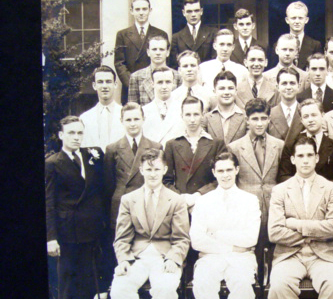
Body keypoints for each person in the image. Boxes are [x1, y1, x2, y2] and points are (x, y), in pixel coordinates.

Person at [110, 148, 190, 299]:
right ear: (141, 170)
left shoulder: (176, 200)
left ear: (164, 169)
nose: (153, 174)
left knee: (165, 289)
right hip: (137, 257)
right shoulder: (129, 199)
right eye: (148, 169)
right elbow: (121, 238)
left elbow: (182, 239)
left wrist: (174, 258)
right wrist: (123, 260)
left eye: (157, 169)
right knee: (119, 289)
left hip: (165, 257)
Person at [267, 136, 333, 299]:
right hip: (290, 254)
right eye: (300, 156)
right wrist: (315, 229)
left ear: (317, 157)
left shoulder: (331, 188)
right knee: (279, 284)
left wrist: (296, 224)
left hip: (324, 254)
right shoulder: (280, 190)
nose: (305, 160)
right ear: (292, 159)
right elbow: (274, 232)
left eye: (309, 155)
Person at [190, 152, 261, 299]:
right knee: (202, 285)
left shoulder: (250, 200)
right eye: (220, 171)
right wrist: (231, 245)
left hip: (241, 258)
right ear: (214, 173)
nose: (225, 175)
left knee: (242, 285)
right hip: (211, 257)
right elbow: (197, 240)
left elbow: (251, 238)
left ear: (237, 170)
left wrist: (217, 234)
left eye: (229, 169)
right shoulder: (204, 201)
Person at [46, 116, 106, 299]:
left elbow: (98, 190)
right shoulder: (53, 163)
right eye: (71, 133)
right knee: (66, 275)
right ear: (61, 135)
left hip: (88, 227)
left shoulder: (92, 156)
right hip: (66, 228)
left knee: (86, 275)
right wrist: (51, 237)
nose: (76, 137)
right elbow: (49, 203)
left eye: (79, 133)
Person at [228, 98, 285, 282]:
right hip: (246, 207)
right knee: (250, 250)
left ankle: (271, 286)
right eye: (255, 119)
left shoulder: (279, 145)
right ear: (247, 120)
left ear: (269, 119)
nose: (259, 123)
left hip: (274, 204)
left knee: (274, 249)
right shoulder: (235, 147)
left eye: (263, 118)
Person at [105, 103, 162, 231]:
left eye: (136, 119)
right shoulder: (112, 149)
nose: (133, 124)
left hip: (147, 203)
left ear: (143, 119)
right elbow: (108, 185)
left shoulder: (155, 147)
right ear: (121, 121)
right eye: (128, 120)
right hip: (121, 205)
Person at [163, 96, 227, 210]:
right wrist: (180, 198)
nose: (192, 119)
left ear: (202, 115)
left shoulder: (216, 144)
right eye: (188, 115)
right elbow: (166, 180)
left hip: (208, 204)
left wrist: (199, 194)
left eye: (196, 114)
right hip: (180, 206)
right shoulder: (171, 145)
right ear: (181, 116)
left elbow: (222, 177)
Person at [277, 98, 333, 197]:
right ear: (301, 120)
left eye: (314, 115)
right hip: (299, 197)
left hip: (327, 197)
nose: (310, 120)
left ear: (322, 115)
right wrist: (304, 189)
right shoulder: (291, 145)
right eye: (306, 116)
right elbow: (283, 176)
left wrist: (321, 190)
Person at [114, 0, 168, 97]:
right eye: (137, 9)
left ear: (150, 10)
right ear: (131, 11)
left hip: (155, 86)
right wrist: (132, 84)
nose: (141, 12)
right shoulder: (122, 35)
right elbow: (119, 64)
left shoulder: (160, 34)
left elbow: (164, 62)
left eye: (144, 9)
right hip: (131, 87)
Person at [80, 66, 124, 151]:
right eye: (100, 82)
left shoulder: (125, 115)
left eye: (108, 81)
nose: (104, 86)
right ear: (94, 85)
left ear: (115, 84)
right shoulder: (85, 118)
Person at [128, 35, 181, 106]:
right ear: (148, 52)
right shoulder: (136, 77)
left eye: (161, 49)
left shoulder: (178, 76)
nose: (158, 53)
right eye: (154, 49)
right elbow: (133, 109)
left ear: (167, 52)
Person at [169, 0, 216, 68]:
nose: (193, 15)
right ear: (183, 13)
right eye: (189, 11)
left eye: (196, 11)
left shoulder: (213, 33)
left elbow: (215, 60)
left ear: (201, 11)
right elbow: (174, 65)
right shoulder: (177, 38)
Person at [142, 66, 183, 146]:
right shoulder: (144, 111)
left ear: (173, 83)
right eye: (160, 82)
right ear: (152, 84)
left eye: (168, 82)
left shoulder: (182, 109)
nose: (164, 87)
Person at [203, 71, 247, 144]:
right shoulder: (206, 119)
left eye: (230, 88)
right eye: (222, 88)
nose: (226, 92)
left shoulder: (245, 117)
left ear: (236, 91)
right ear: (214, 91)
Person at [267, 68, 302, 141]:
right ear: (277, 87)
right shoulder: (270, 114)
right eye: (284, 83)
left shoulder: (305, 113)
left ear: (298, 86)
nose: (288, 87)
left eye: (292, 83)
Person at [284, 1, 322, 68]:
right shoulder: (278, 45)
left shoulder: (315, 45)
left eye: (300, 18)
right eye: (293, 18)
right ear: (287, 20)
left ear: (306, 20)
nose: (297, 21)